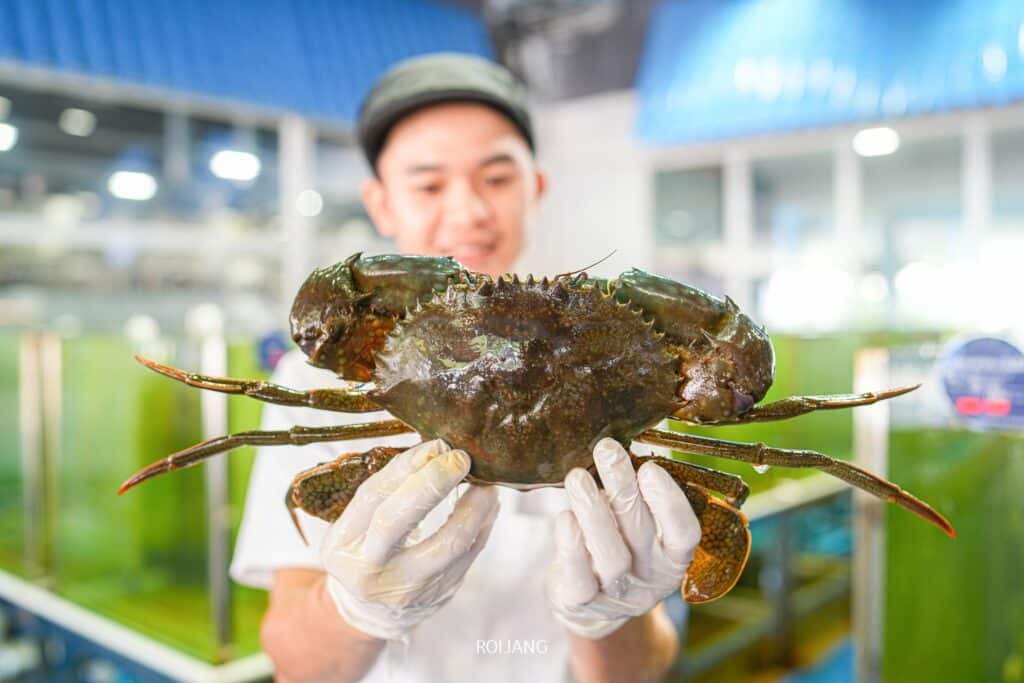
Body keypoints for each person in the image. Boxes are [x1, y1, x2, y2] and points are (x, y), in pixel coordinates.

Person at [230, 52, 700, 683]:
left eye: (497, 178)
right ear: (381, 203)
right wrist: (358, 609)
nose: (469, 211)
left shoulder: (631, 363)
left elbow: (641, 671)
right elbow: (298, 667)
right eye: (428, 184)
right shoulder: (318, 383)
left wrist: (610, 613)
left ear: (536, 187)